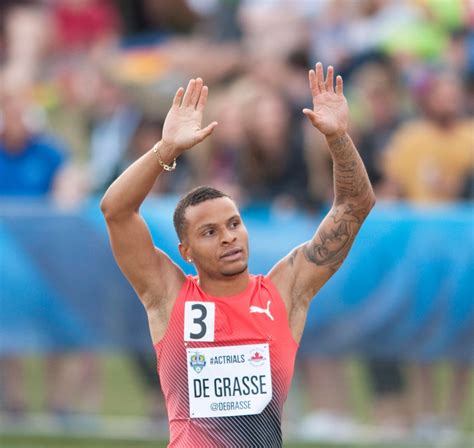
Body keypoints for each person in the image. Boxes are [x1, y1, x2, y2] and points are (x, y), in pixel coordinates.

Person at [100, 62, 375, 447]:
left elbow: (355, 205)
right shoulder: (169, 298)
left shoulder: (283, 292)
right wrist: (166, 150)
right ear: (186, 250)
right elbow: (116, 211)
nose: (228, 238)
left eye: (233, 224)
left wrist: (338, 138)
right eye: (209, 232)